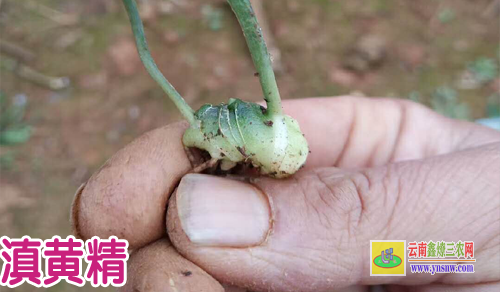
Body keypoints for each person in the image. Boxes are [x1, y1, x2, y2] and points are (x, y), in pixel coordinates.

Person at [71, 96, 500, 292]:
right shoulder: (434, 253)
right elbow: (436, 256)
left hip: (424, 257)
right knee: (425, 254)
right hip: (421, 258)